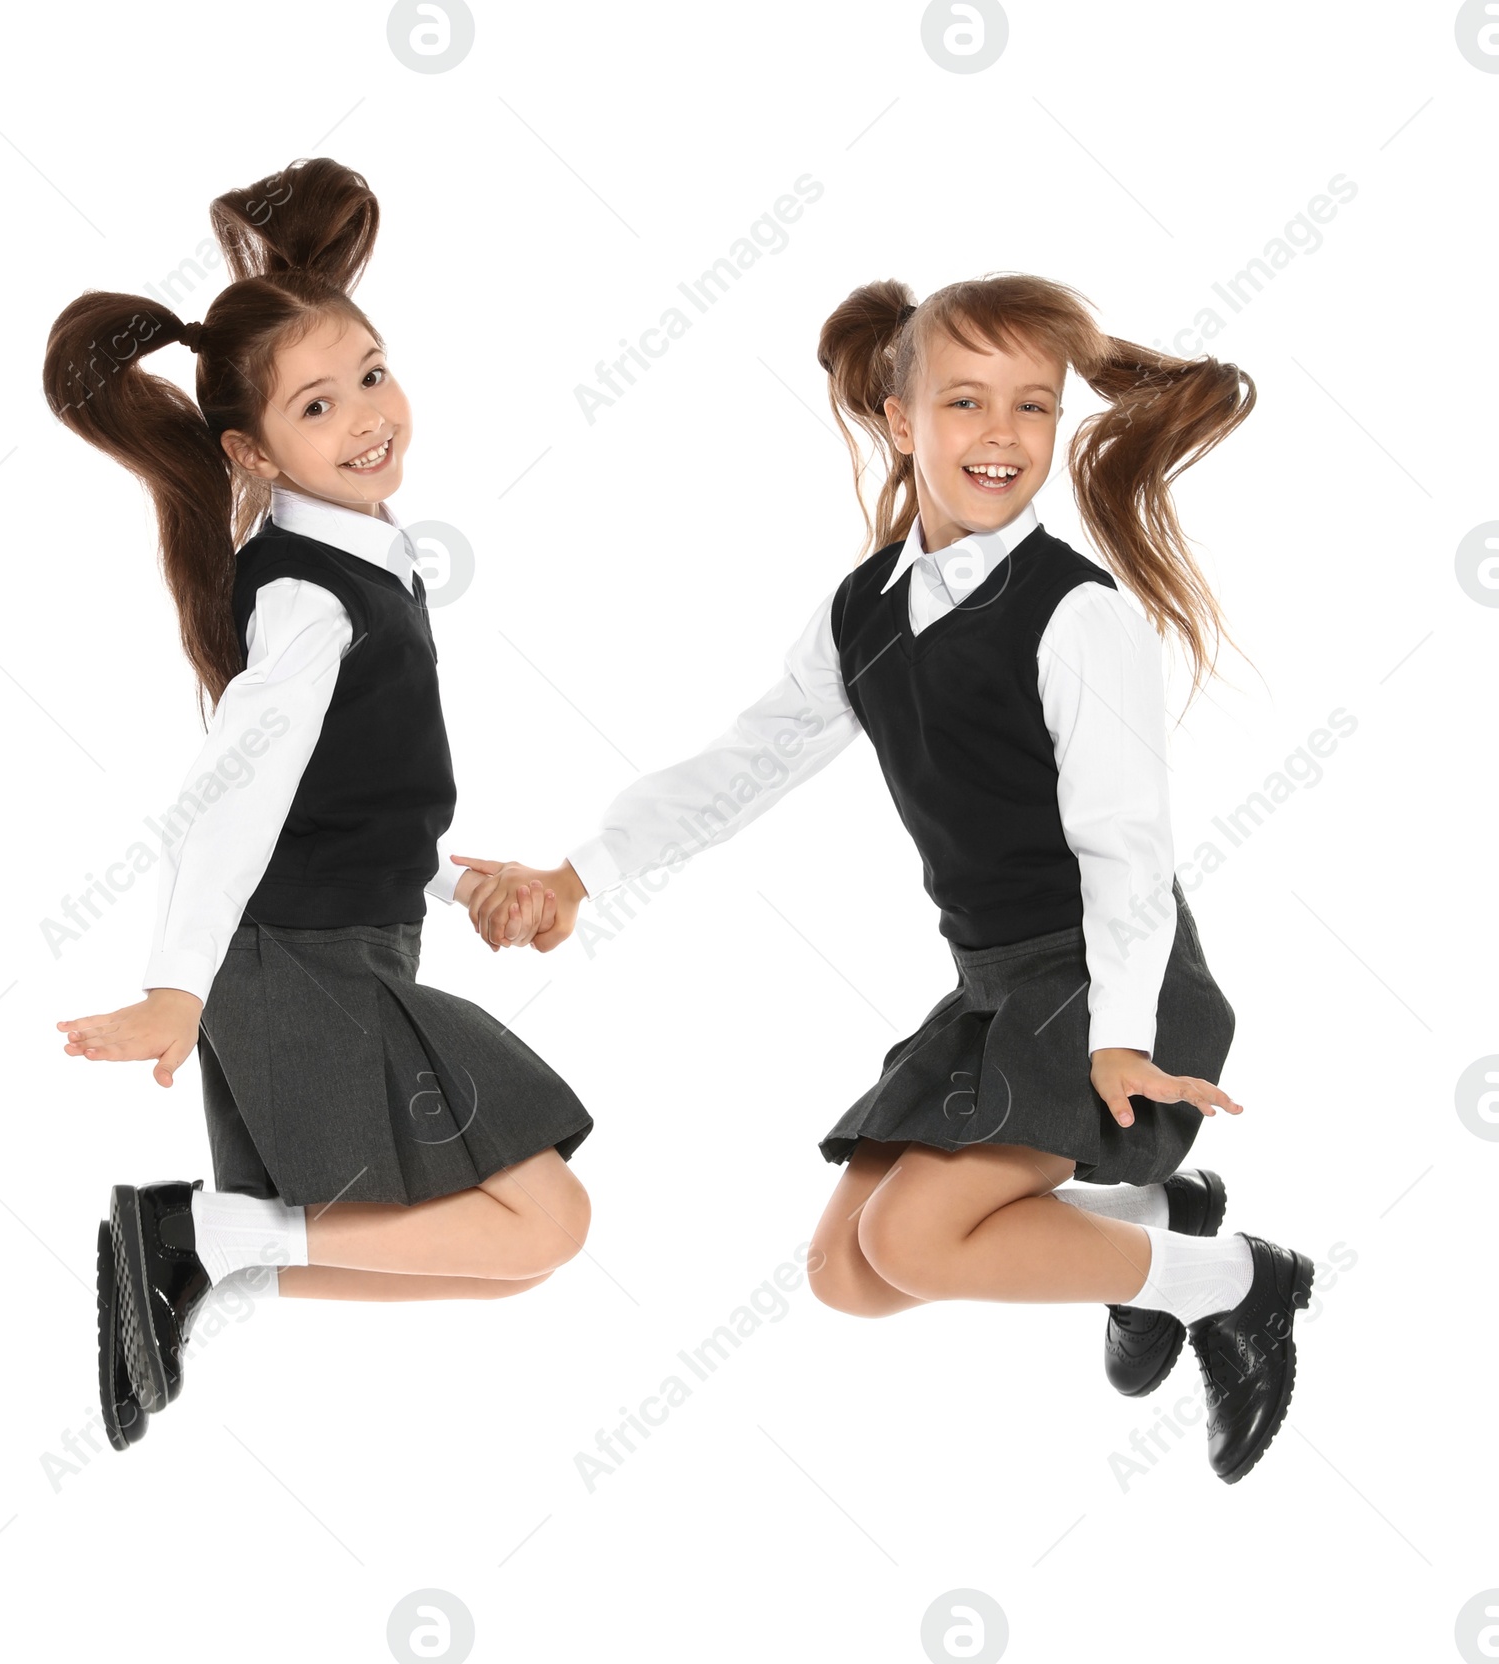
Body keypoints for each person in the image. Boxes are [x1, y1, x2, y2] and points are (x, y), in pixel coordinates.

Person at [459, 275, 1311, 1484]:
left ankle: (1238, 1284)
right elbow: (746, 758)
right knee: (848, 1272)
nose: (1003, 434)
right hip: (995, 987)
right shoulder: (867, 608)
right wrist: (582, 871)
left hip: (1106, 978)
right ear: (902, 421)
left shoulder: (1074, 615)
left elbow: (1128, 848)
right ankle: (1160, 1229)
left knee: (916, 1235)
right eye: (965, 401)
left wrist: (1120, 1036)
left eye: (1031, 405)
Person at [44, 157, 593, 1451]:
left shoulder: (367, 559)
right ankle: (196, 1236)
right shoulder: (303, 597)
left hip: (344, 949)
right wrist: (176, 981)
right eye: (316, 403)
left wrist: (463, 884)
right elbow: (229, 794)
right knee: (548, 1222)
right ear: (251, 450)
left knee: (512, 1254)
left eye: (372, 372)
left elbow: (347, 797)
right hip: (294, 968)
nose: (367, 415)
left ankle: (203, 1257)